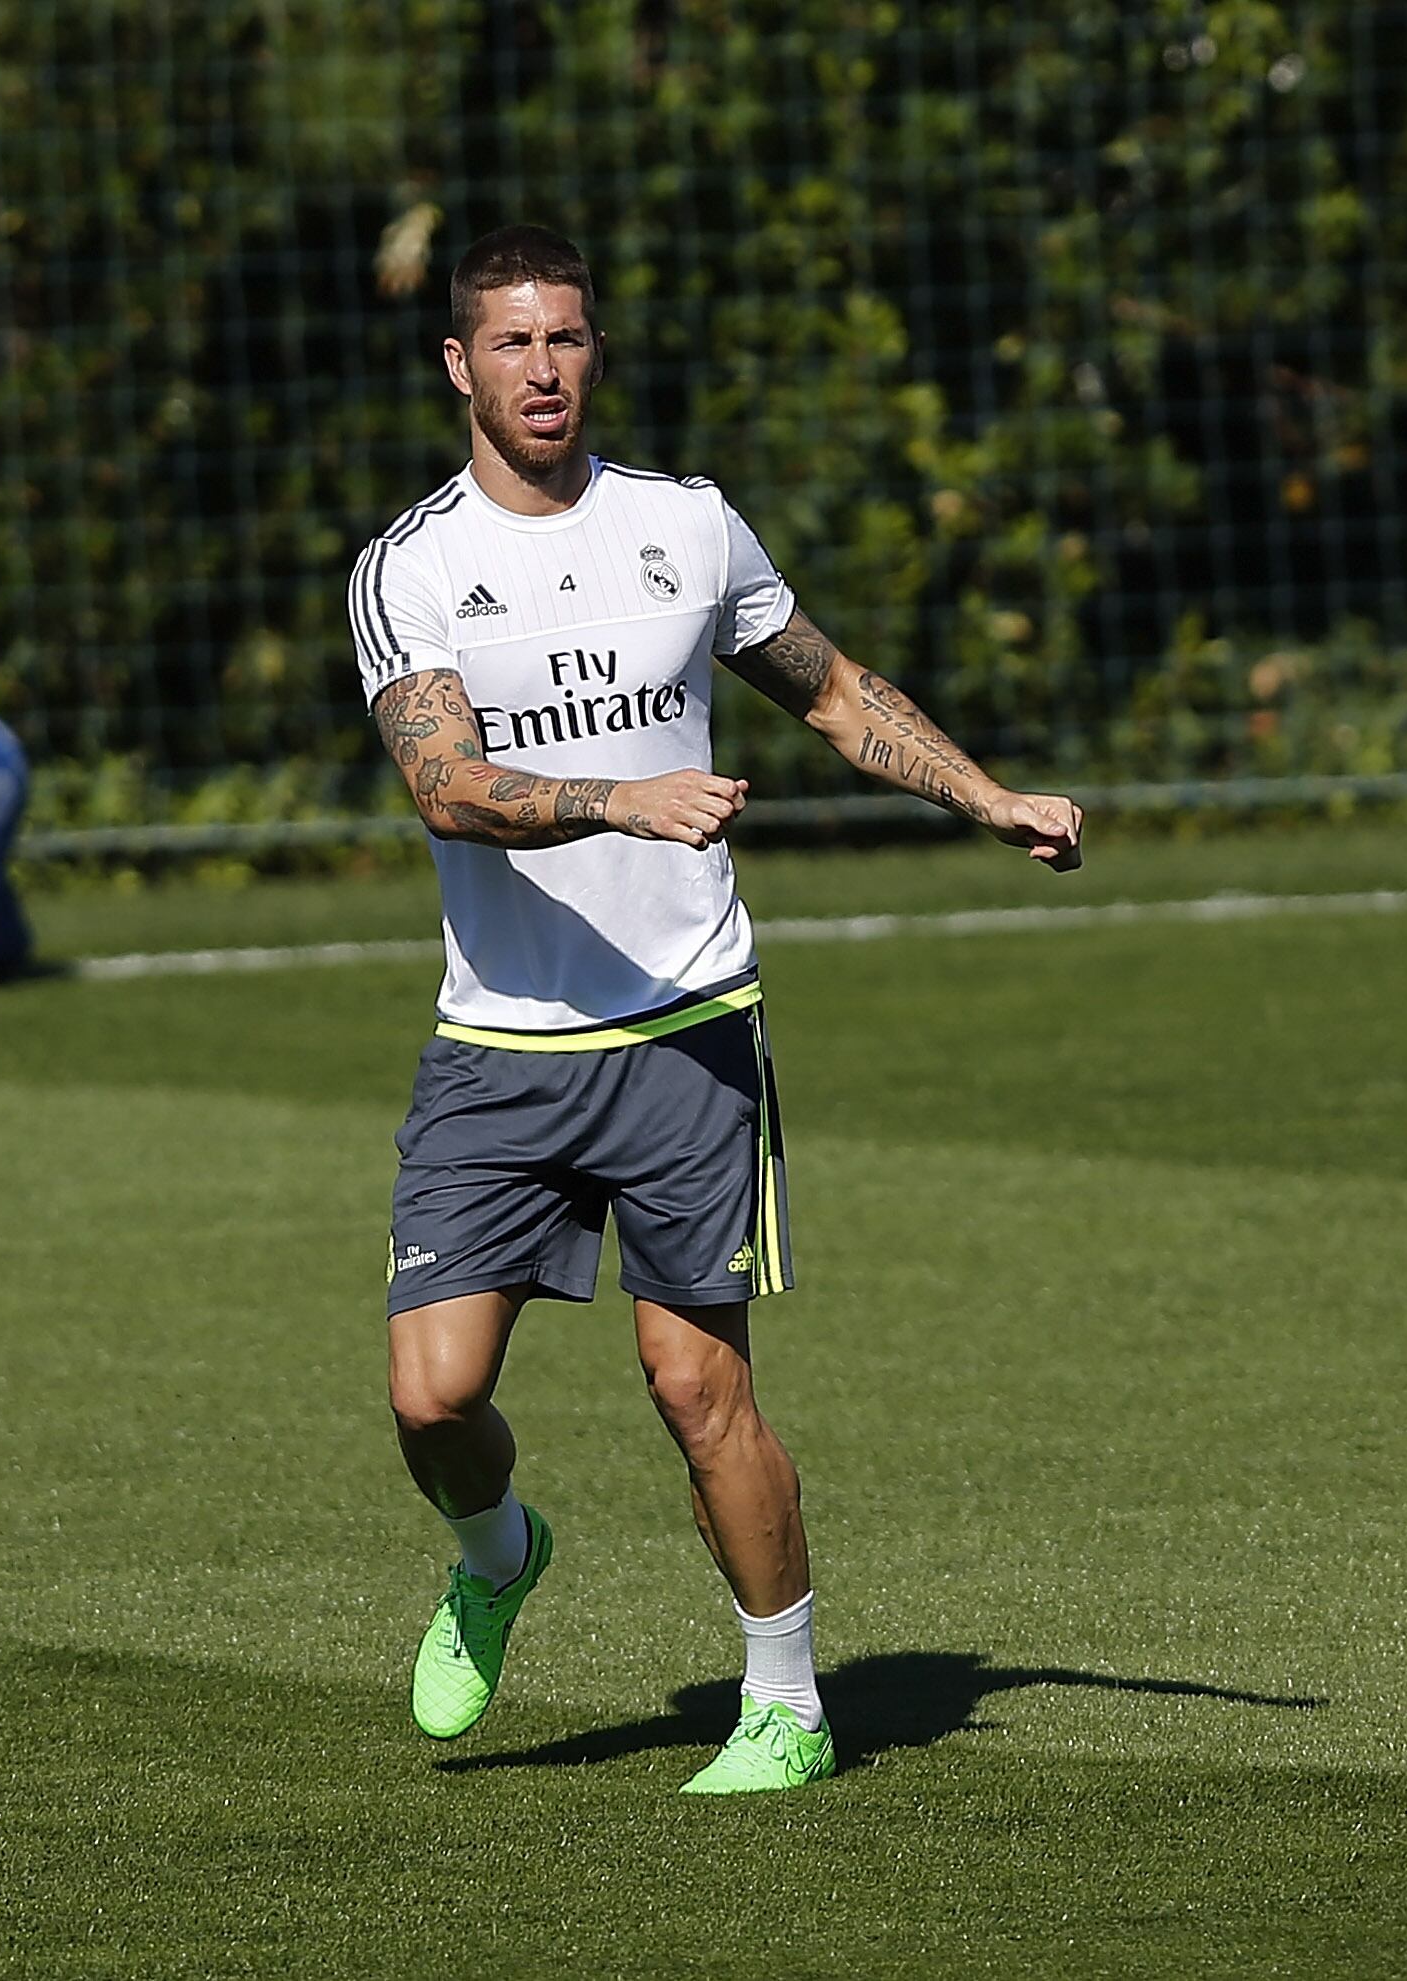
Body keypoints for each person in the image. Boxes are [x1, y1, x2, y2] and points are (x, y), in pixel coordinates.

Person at [349, 223, 1083, 1794]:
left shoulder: (687, 526)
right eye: (514, 343)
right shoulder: (411, 565)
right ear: (458, 365)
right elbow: (448, 786)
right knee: (434, 1393)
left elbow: (824, 682)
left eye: (569, 338)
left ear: (594, 352)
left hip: (687, 1032)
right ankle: (497, 1549)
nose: (545, 369)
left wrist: (982, 793)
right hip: (500, 1046)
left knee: (698, 1383)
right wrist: (627, 797)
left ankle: (786, 1702)